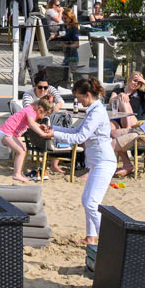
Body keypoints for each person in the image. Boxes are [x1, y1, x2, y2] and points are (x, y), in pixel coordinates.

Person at [49, 76, 115, 270]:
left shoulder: (97, 111)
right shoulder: (94, 109)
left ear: (88, 95)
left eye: (79, 97)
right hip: (97, 162)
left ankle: (109, 240)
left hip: (104, 162)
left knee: (91, 202)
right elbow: (77, 129)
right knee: (87, 199)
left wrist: (53, 134)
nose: (78, 101)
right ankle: (90, 237)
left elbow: (80, 136)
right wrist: (53, 129)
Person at [0, 85, 51, 181]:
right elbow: (31, 124)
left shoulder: (32, 110)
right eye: (44, 115)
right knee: (21, 151)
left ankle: (18, 172)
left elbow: (33, 123)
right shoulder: (30, 111)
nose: (43, 117)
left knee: (23, 149)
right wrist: (42, 134)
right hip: (7, 133)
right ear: (40, 110)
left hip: (12, 134)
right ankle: (16, 174)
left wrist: (40, 126)